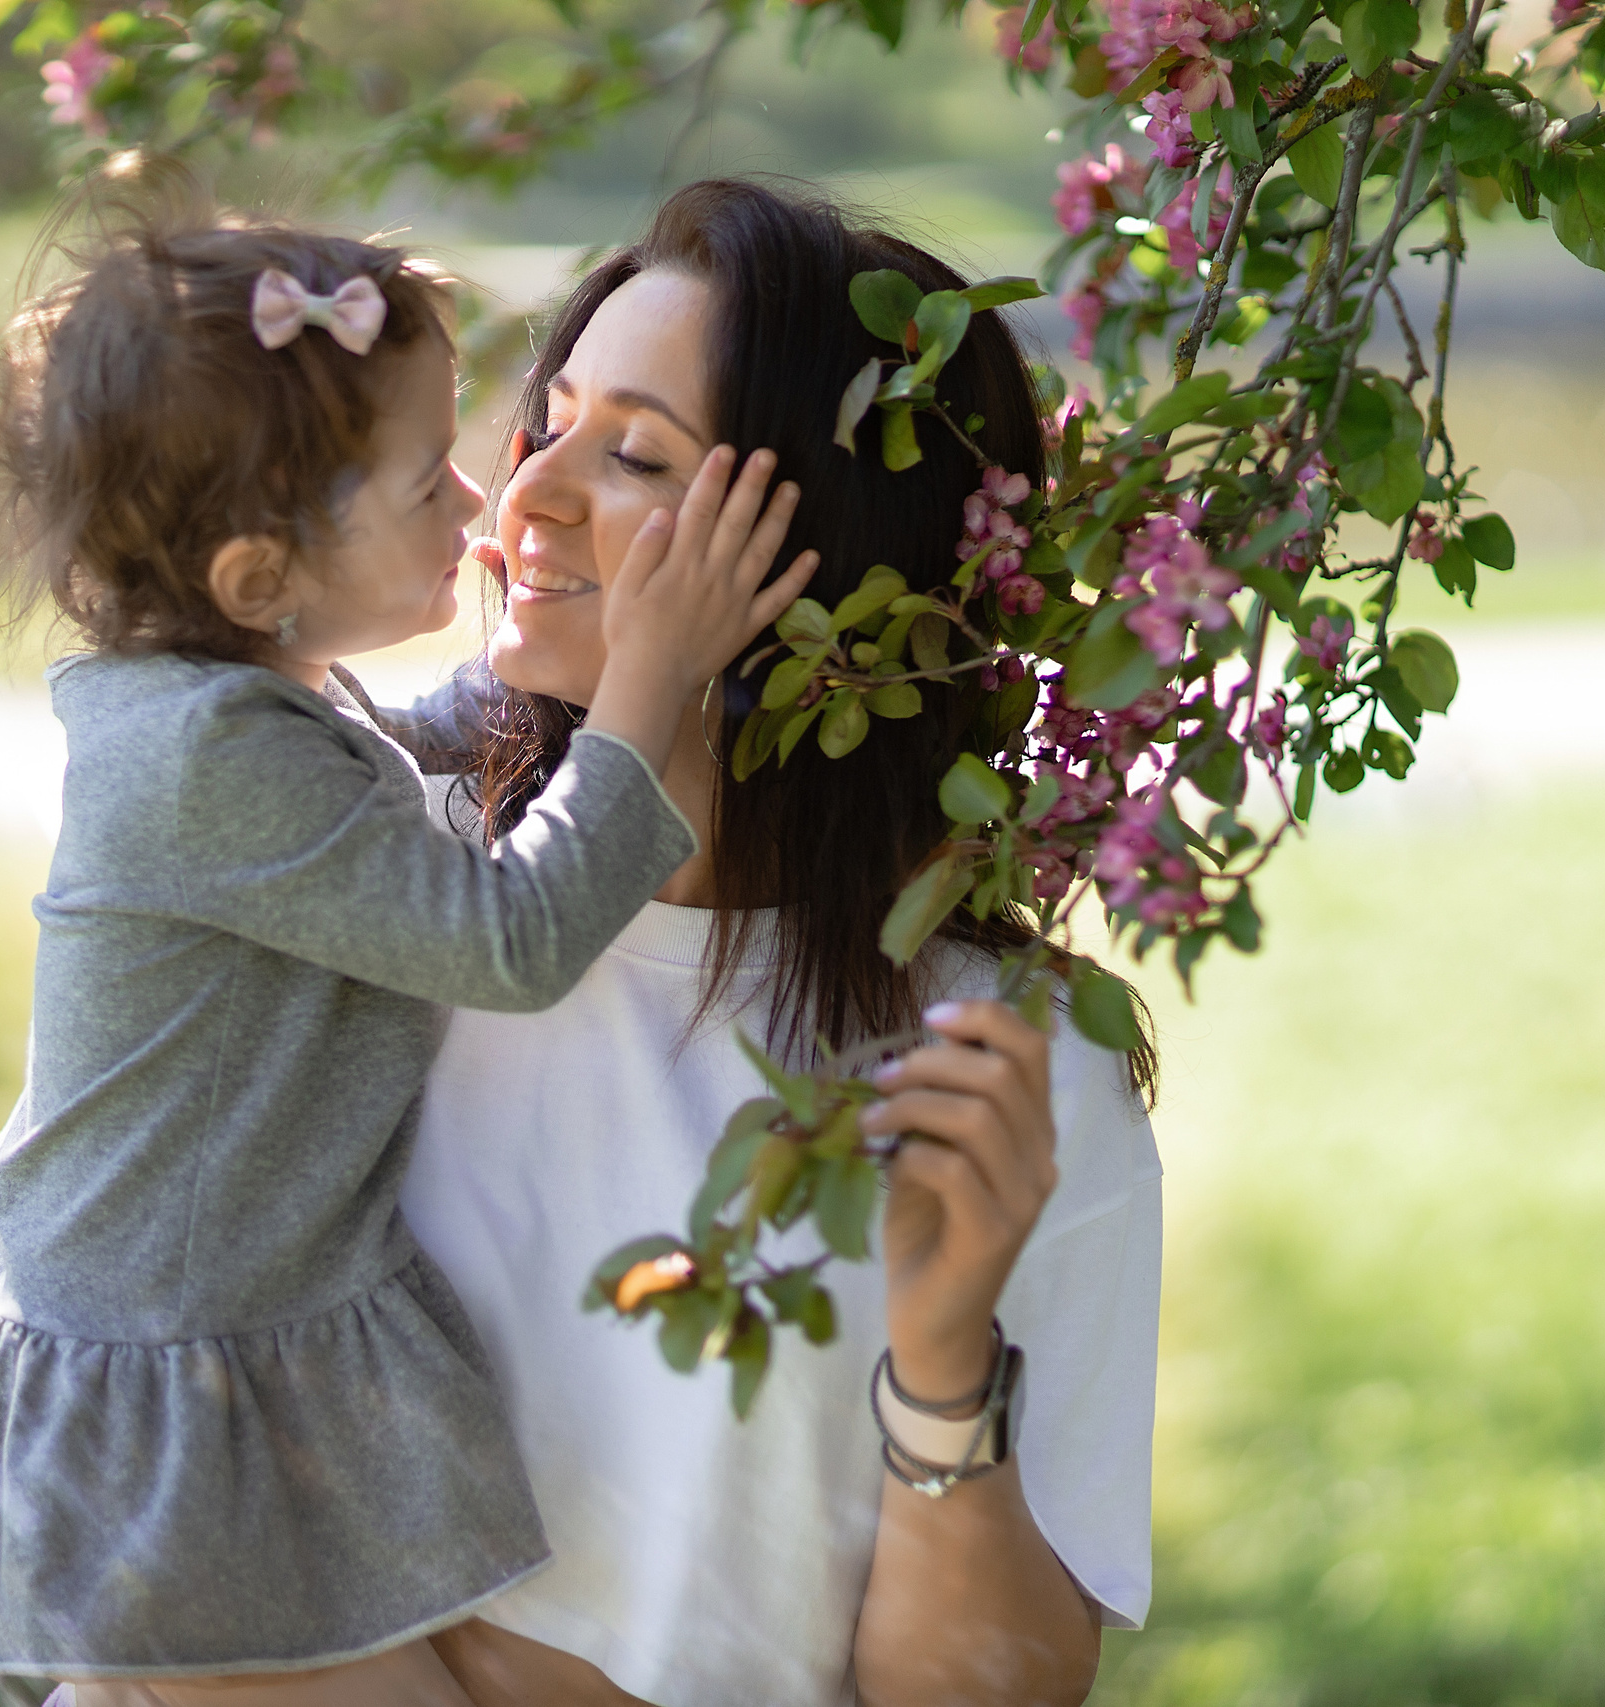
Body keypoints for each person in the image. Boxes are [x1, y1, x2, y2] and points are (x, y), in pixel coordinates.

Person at [0, 169, 819, 1702]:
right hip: (173, 1388)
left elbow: (394, 770)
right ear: (262, 579)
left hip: (201, 1328)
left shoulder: (238, 701)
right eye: (427, 488)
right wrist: (645, 681)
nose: (485, 500)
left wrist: (568, 669)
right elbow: (511, 937)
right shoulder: (209, 759)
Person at [390, 179, 1164, 1707]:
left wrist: (943, 1363)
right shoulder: (382, 896)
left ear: (823, 560)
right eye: (544, 423)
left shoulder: (1009, 1067)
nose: (523, 499)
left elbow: (987, 1694)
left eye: (633, 455)